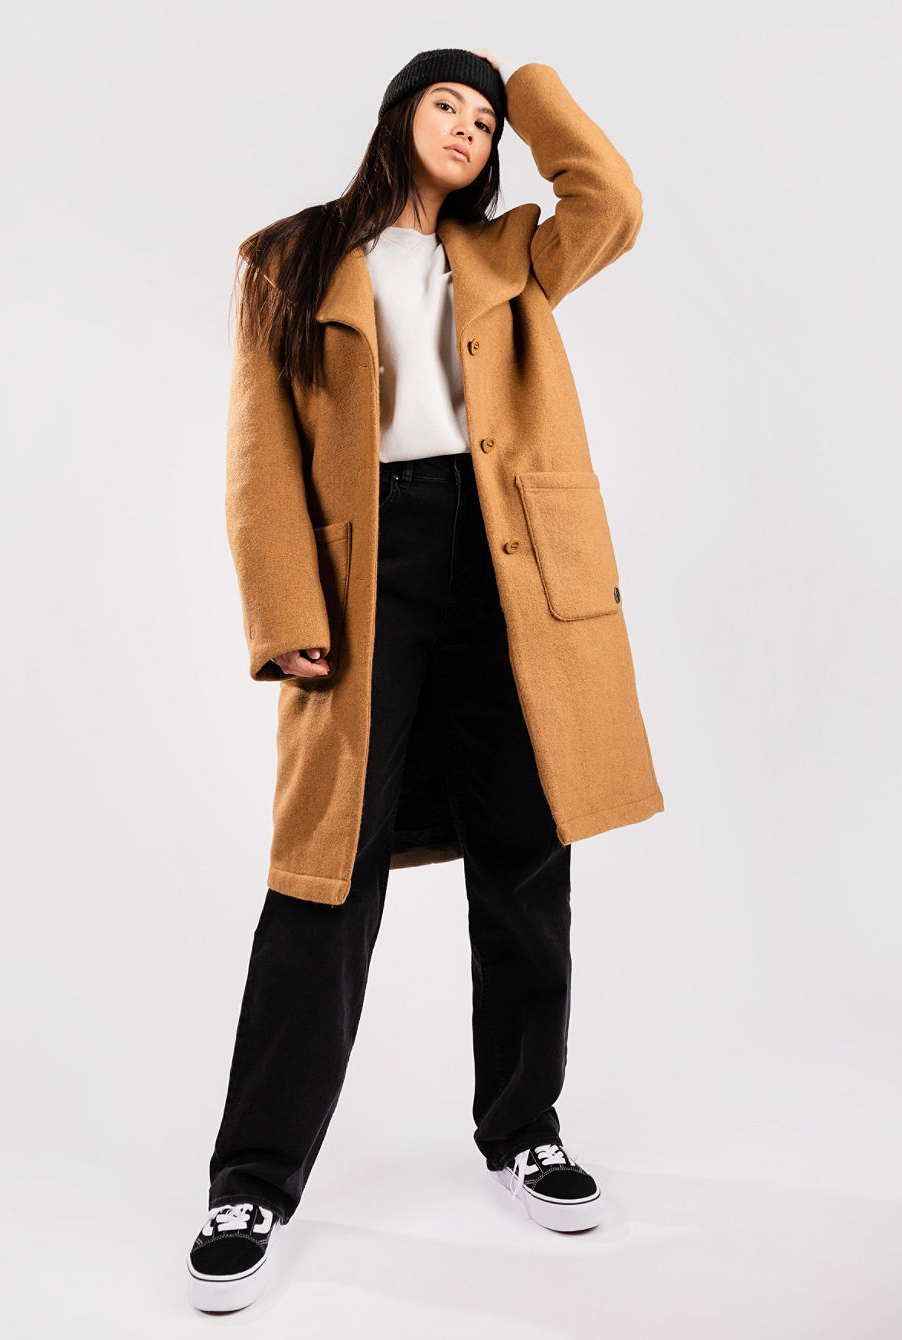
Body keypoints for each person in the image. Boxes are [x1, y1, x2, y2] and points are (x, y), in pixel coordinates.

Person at [187, 47, 663, 1313]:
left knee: (525, 848)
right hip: (367, 570)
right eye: (447, 103)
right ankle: (251, 1181)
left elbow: (611, 200)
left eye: (486, 119)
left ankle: (523, 1129)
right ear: (398, 115)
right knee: (321, 869)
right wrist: (285, 610)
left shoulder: (512, 252)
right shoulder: (292, 257)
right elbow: (257, 448)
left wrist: (529, 80)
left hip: (509, 562)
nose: (469, 126)